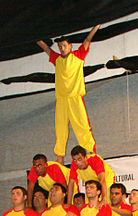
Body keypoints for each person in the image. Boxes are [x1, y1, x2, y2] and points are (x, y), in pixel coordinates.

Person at [37, 26, 100, 164]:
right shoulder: (57, 59)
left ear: (70, 46)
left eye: (64, 46)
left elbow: (87, 40)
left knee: (82, 126)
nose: (62, 48)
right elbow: (46, 49)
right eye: (60, 46)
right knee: (60, 129)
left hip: (75, 98)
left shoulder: (78, 56)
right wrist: (36, 38)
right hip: (61, 100)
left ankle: (92, 153)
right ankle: (60, 158)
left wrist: (96, 26)